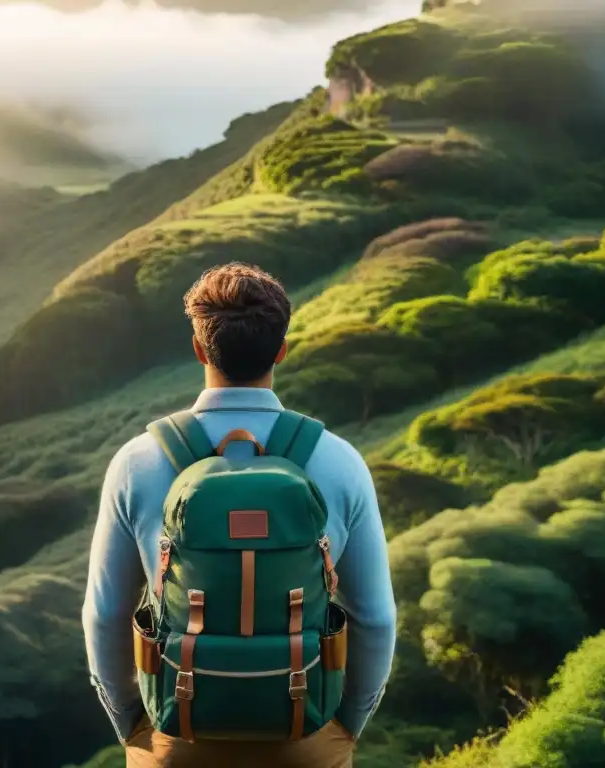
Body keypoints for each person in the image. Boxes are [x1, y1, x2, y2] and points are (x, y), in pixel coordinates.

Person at [81, 262, 396, 767]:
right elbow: (375, 619)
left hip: (174, 736)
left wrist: (135, 728)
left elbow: (106, 615)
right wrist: (341, 728)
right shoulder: (339, 461)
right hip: (304, 736)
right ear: (281, 351)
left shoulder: (136, 462)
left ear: (199, 350)